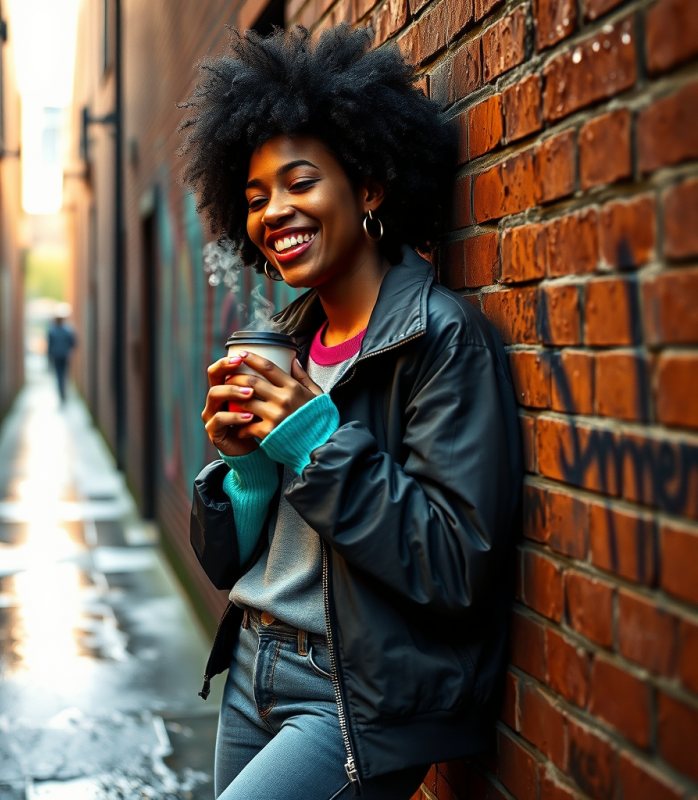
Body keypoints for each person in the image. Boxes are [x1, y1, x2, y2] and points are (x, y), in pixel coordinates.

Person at [183, 24, 522, 800]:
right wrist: (244, 472)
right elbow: (237, 561)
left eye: (299, 183)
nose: (274, 211)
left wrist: (312, 443)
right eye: (256, 198)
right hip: (251, 666)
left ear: (368, 188)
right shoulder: (287, 342)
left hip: (351, 697)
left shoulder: (441, 339)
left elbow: (454, 563)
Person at [47, 304, 77, 403]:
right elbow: (74, 343)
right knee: (63, 374)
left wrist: (49, 357)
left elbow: (50, 346)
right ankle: (62, 391)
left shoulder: (52, 330)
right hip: (63, 355)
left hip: (57, 355)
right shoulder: (68, 330)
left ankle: (61, 391)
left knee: (59, 374)